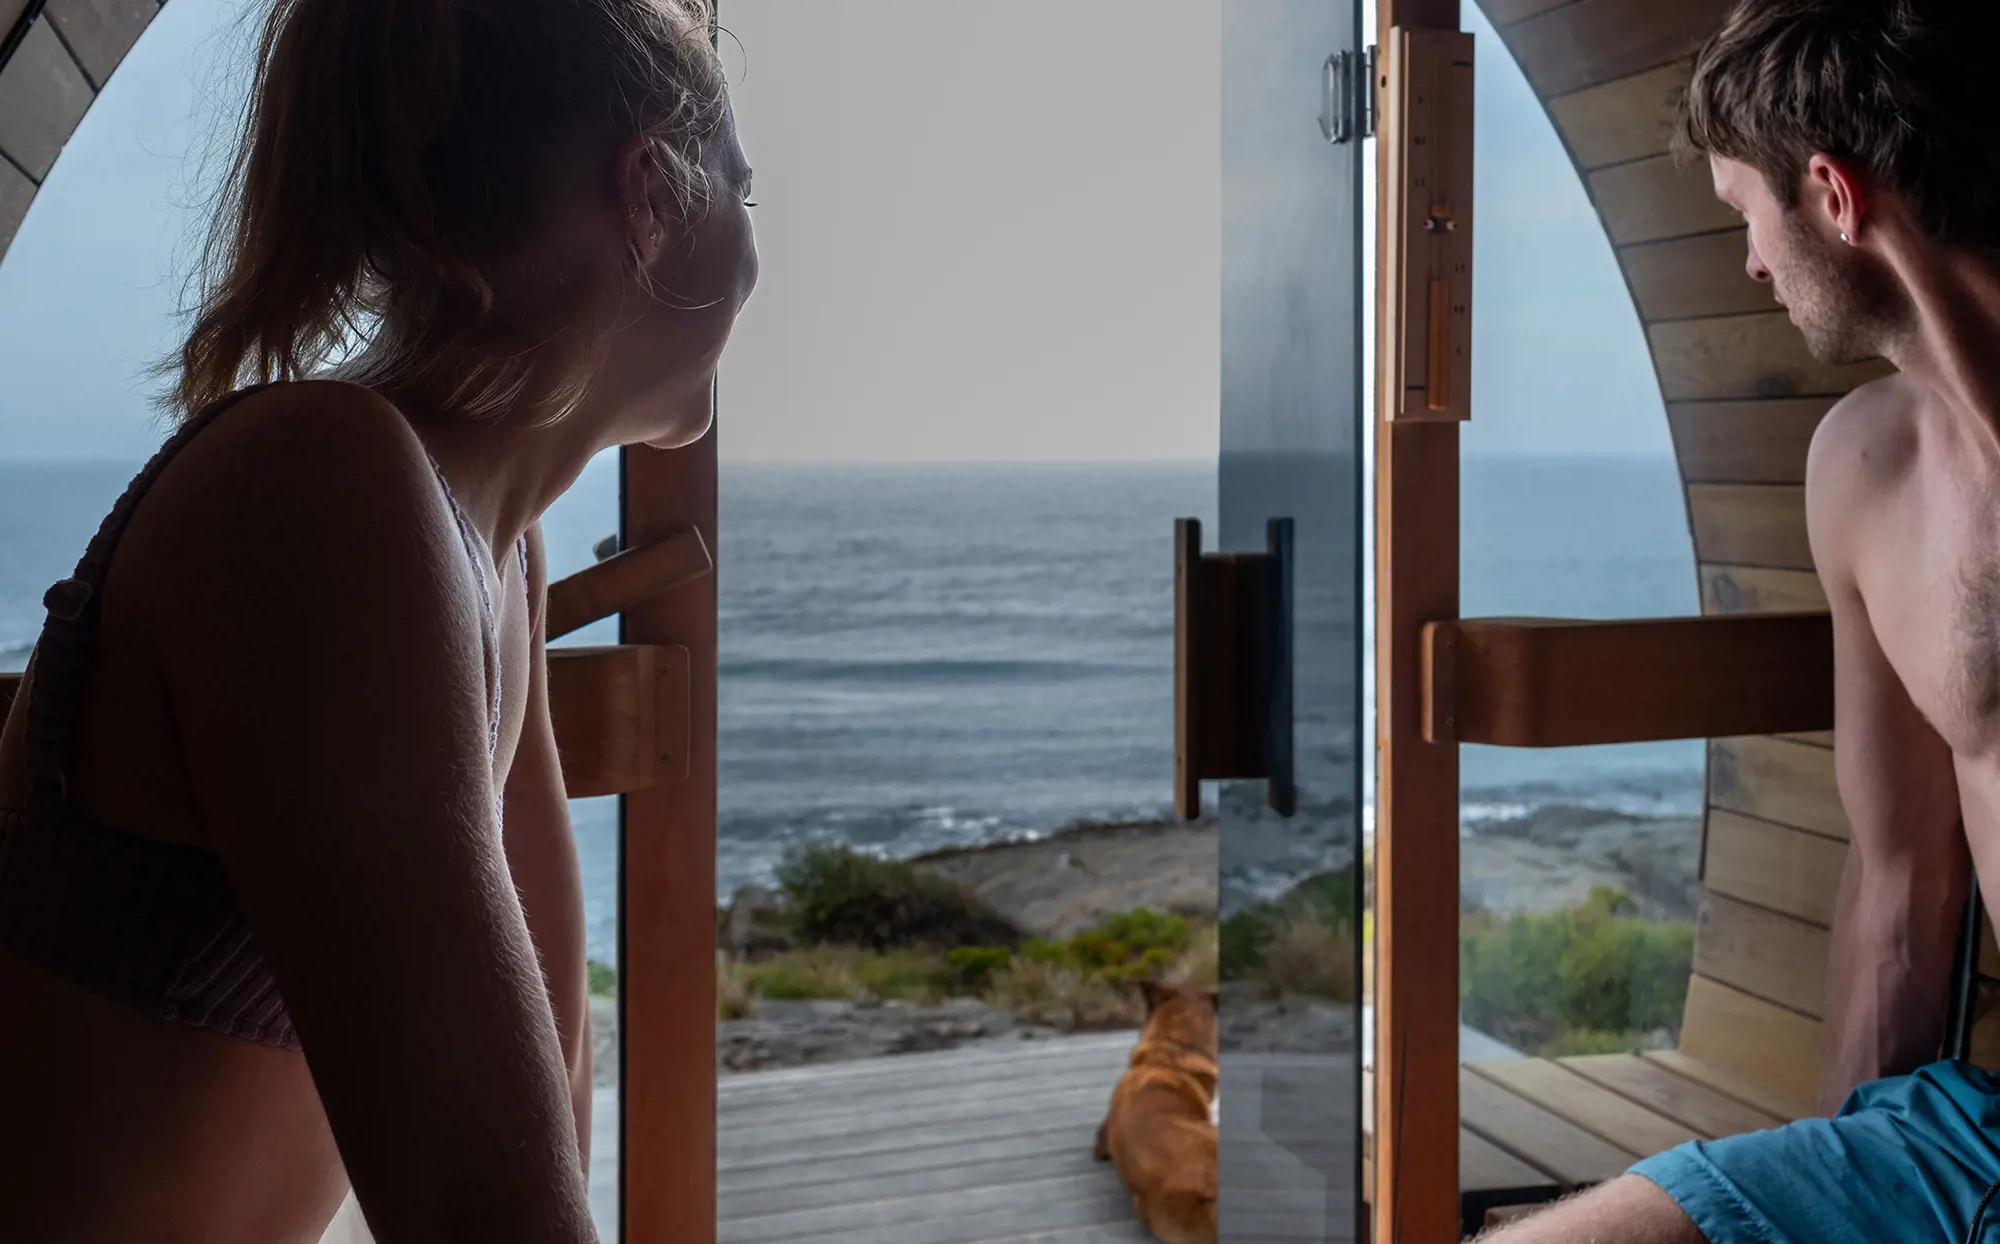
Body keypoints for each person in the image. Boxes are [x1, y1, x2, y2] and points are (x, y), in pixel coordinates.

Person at [0, 0, 756, 1238]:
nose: (758, 259)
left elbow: (546, 1094)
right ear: (653, 196)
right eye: (745, 190)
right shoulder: (322, 487)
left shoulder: (493, 553)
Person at [1484, 1, 2000, 1241]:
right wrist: (1828, 1159)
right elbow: (1897, 885)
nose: (1749, 266)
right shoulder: (1865, 472)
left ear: (1829, 193)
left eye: (1742, 216)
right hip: (1968, 1136)